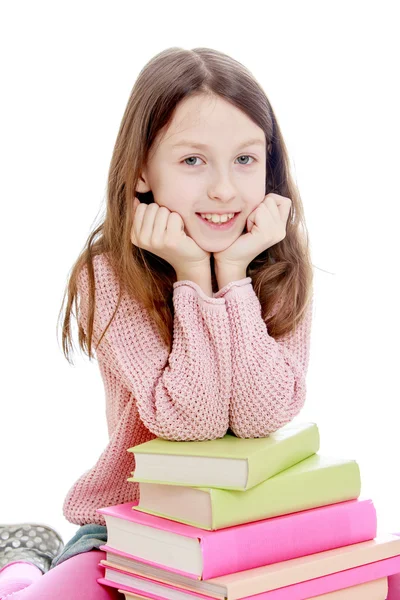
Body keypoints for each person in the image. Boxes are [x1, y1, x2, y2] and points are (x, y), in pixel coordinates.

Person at [0, 46, 315, 599]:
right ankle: (24, 563)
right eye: (193, 161)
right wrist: (194, 274)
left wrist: (236, 275)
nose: (224, 189)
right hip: (127, 533)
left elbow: (263, 410)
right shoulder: (109, 276)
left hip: (246, 532)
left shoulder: (278, 265)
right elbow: (189, 419)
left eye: (245, 159)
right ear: (143, 170)